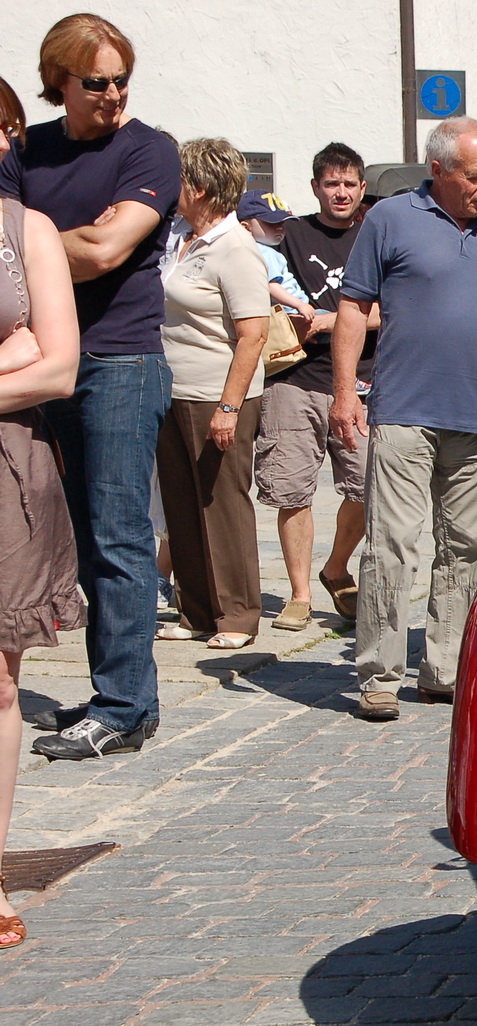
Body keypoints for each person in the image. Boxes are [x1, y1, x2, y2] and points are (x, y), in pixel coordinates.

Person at [329, 117, 477, 721]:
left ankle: (445, 668)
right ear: (439, 170)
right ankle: (379, 674)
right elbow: (353, 306)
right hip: (404, 410)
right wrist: (345, 391)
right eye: (475, 175)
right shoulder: (390, 219)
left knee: (469, 548)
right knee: (391, 545)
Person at [0, 15, 181, 759]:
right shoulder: (30, 148)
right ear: (59, 84)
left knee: (117, 536)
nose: (112, 94)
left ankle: (126, 704)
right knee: (71, 534)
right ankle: (110, 685)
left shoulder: (150, 149)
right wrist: (46, 248)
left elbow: (107, 250)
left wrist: (39, 245)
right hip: (44, 361)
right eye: (95, 82)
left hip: (119, 362)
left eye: (120, 80)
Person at [0, 73, 82, 945]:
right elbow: (29, 354)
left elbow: (58, 366)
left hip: (8, 470)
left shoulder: (29, 234)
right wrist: (11, 353)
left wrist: (29, 353)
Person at [155, 138, 269, 651]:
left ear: (199, 188)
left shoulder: (235, 248)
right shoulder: (179, 238)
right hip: (171, 388)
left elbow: (253, 333)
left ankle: (238, 615)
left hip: (216, 394)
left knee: (221, 504)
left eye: (178, 179)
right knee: (180, 504)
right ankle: (196, 609)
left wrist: (228, 406)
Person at [263, 143, 373, 632]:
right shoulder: (291, 235)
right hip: (295, 378)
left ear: (362, 188)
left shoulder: (376, 235)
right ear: (315, 188)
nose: (341, 192)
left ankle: (335, 568)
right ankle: (300, 593)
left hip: (362, 380)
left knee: (369, 485)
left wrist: (331, 322)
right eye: (332, 183)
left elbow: (393, 308)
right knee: (292, 488)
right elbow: (262, 290)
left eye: (350, 183)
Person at [236, 191, 311, 323]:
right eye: (271, 223)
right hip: (290, 311)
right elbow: (271, 287)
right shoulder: (265, 252)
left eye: (282, 223)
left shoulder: (245, 250)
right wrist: (299, 305)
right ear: (246, 227)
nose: (280, 228)